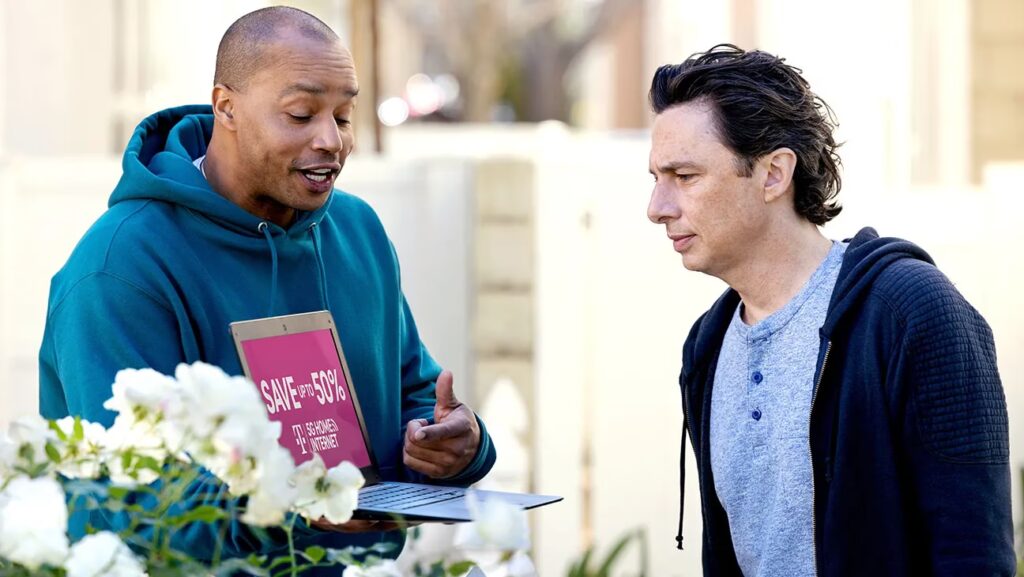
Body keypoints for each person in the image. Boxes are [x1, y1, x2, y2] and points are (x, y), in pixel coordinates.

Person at [38, 5, 495, 568]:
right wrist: (289, 508)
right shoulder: (120, 267)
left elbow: (414, 395)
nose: (330, 140)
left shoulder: (358, 231)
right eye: (301, 114)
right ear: (225, 107)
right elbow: (134, 496)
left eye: (344, 116)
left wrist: (457, 445)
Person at [646, 44, 1014, 576]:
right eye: (656, 179)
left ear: (774, 174)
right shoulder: (708, 343)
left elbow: (973, 555)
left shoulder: (912, 314)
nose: (657, 208)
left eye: (684, 176)